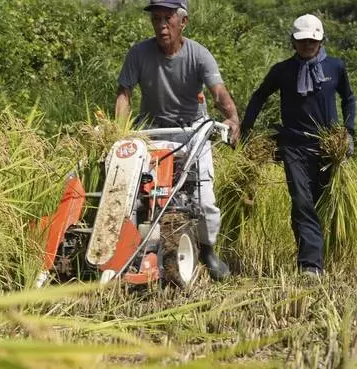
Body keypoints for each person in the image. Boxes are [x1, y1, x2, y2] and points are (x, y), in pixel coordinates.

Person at [115, 0, 240, 281]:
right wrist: (119, 130)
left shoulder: (199, 55)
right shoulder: (139, 53)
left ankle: (207, 250)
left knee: (204, 199)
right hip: (152, 131)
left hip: (192, 131)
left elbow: (218, 93)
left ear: (182, 22)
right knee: (134, 193)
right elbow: (124, 93)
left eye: (167, 18)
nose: (161, 25)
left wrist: (232, 118)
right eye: (156, 18)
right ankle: (130, 250)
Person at [241, 14, 355, 277]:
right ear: (293, 42)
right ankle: (310, 266)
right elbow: (259, 97)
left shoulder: (335, 68)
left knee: (316, 203)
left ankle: (313, 251)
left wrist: (348, 132)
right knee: (302, 201)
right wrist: (247, 130)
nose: (307, 45)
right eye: (302, 40)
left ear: (321, 40)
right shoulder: (282, 71)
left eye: (312, 41)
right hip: (293, 144)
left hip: (329, 149)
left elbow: (349, 99)